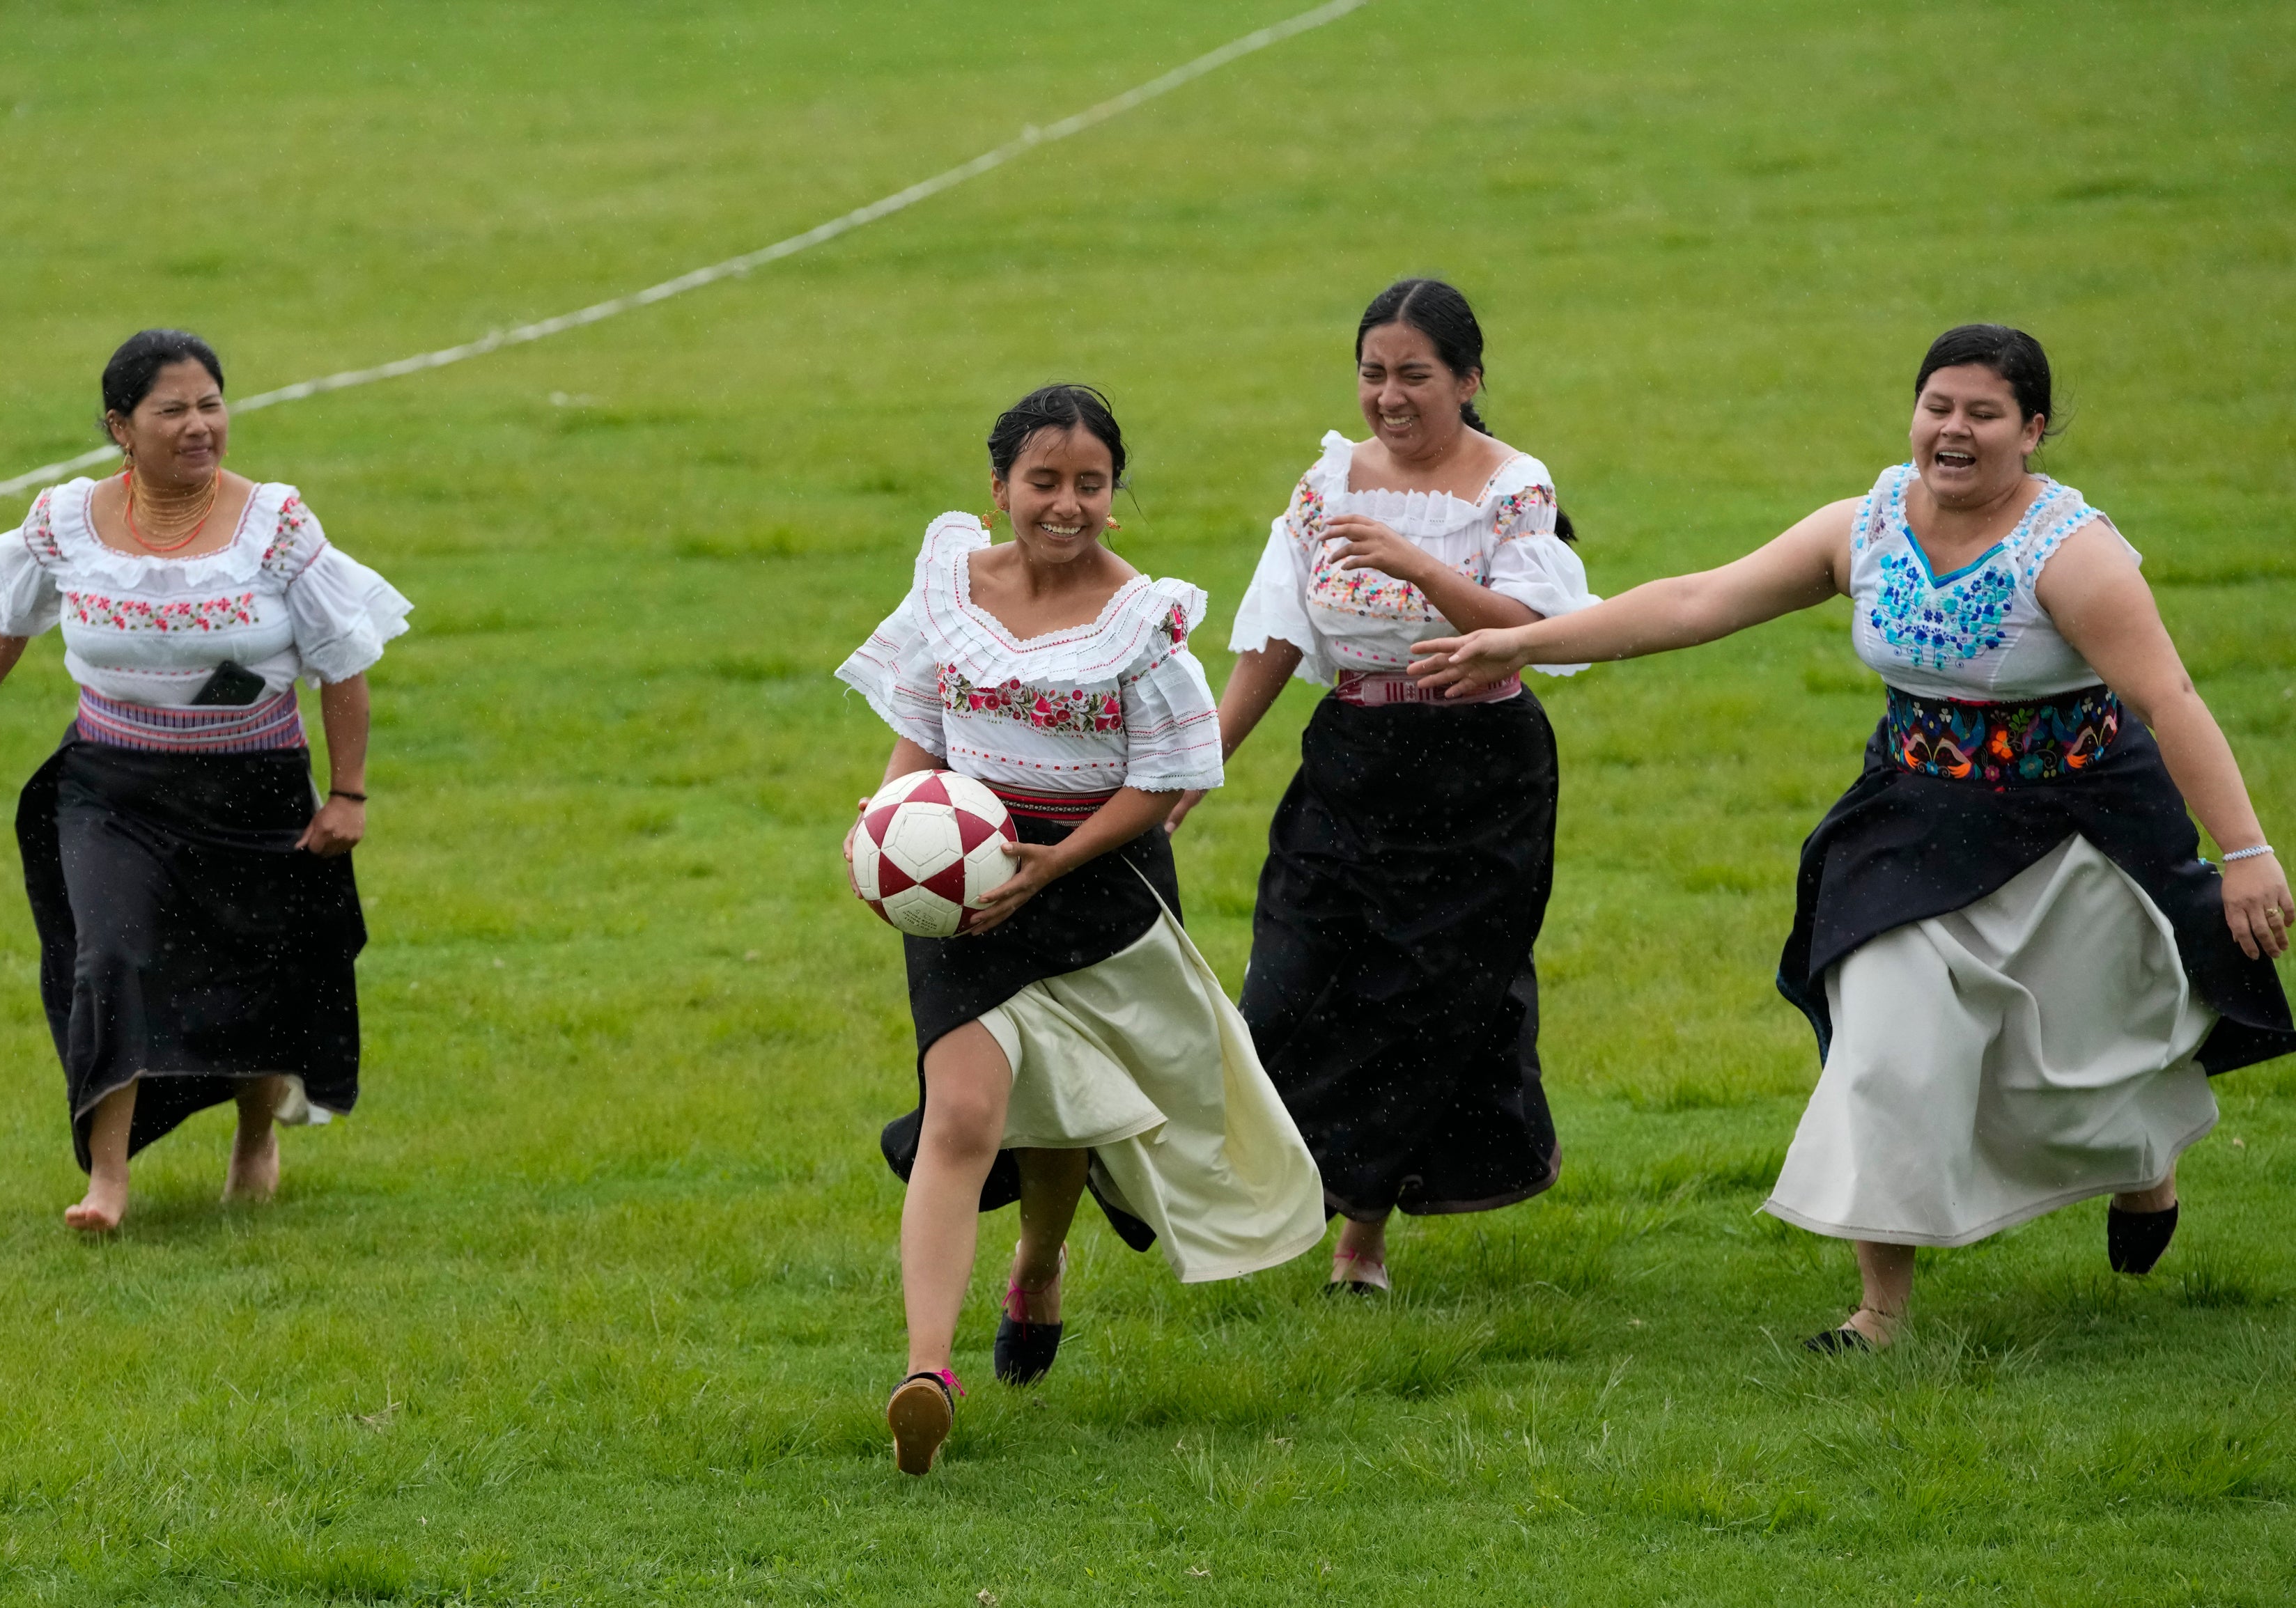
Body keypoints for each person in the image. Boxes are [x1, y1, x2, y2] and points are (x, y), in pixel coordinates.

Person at [1411, 324, 2295, 1348]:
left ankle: (2145, 1167)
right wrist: (1520, 640)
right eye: (1939, 406)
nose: (1954, 429)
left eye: (1985, 413)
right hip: (1913, 823)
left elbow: (2169, 697)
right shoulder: (1865, 526)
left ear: (2033, 430)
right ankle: (1881, 1311)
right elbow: (1700, 599)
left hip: (2079, 830)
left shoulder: (2072, 552)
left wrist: (2246, 854)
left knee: (2081, 1054)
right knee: (1884, 1040)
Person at [836, 384, 1324, 1474]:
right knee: (964, 1111)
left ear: (1115, 492)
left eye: (1090, 484)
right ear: (999, 486)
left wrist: (1054, 860)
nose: (1065, 505)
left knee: (1065, 1113)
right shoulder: (948, 589)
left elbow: (1167, 781)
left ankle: (1040, 1262)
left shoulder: (1142, 620)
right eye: (1043, 482)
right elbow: (918, 730)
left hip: (1097, 886)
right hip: (967, 880)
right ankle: (926, 1373)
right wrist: (897, 837)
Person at [0, 329, 412, 1233]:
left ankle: (255, 1138)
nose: (200, 425)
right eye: (173, 410)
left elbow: (344, 658)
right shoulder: (66, 520)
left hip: (255, 785)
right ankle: (107, 1179)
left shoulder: (277, 524)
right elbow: (9, 611)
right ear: (121, 426)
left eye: (212, 404)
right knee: (110, 956)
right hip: (112, 787)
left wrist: (348, 792)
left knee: (263, 971)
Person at [1168, 279, 1599, 1294]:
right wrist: (1204, 757)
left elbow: (1531, 628)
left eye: (1415, 374)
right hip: (1353, 759)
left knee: (1426, 1003)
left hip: (1481, 774)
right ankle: (1262, 1200)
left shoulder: (1512, 486)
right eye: (1373, 374)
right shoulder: (1328, 483)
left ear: (1469, 379)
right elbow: (1276, 634)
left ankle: (1360, 1240)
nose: (1390, 396)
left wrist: (1416, 562)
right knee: (1286, 985)